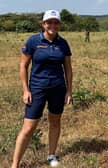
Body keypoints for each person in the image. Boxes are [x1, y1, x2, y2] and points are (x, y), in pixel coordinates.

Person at [11, 9, 73, 168]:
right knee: (29, 126)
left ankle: (51, 155)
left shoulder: (63, 43)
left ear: (59, 25)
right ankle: (15, 164)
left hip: (58, 89)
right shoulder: (33, 41)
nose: (52, 25)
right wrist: (26, 90)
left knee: (55, 121)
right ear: (43, 24)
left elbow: (68, 68)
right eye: (49, 22)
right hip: (37, 89)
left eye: (56, 22)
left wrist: (69, 91)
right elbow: (23, 66)